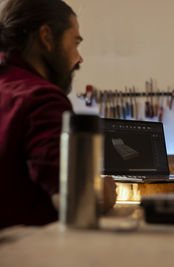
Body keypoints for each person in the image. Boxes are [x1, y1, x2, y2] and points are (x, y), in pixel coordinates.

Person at [0, 0, 115, 229]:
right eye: (75, 42)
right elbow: (77, 200)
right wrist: (104, 190)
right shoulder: (41, 98)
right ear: (47, 37)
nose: (79, 58)